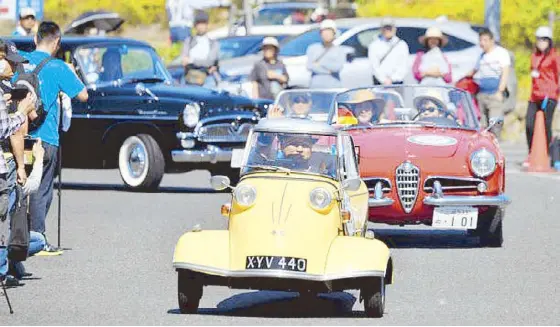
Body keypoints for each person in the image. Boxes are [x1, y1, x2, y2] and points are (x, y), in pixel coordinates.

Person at [19, 21, 88, 253]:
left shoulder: (20, 59)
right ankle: (37, 239)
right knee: (41, 190)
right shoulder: (58, 67)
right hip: (45, 137)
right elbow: (83, 95)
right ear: (57, 42)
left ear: (34, 39)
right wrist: (71, 73)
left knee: (17, 187)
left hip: (18, 135)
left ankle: (17, 237)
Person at [2, 140, 46, 286]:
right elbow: (32, 185)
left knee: (36, 239)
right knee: (38, 240)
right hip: (5, 237)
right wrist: (38, 159)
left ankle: (10, 262)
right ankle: (9, 264)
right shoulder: (13, 184)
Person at [525, 26, 559, 167]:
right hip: (535, 96)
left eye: (544, 39)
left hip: (549, 95)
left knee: (546, 125)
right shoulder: (534, 56)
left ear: (549, 41)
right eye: (539, 39)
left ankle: (549, 153)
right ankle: (532, 152)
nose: (541, 42)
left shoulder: (554, 57)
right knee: (529, 124)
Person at [467, 28, 511, 138]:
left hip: (495, 93)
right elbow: (474, 71)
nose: (482, 43)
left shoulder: (501, 53)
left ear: (492, 40)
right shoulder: (482, 56)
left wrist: (500, 91)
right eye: (481, 40)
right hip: (482, 94)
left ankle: (495, 148)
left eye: (485, 40)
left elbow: (505, 72)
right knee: (483, 126)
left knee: (495, 123)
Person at [180, 11, 219, 86]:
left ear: (207, 25)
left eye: (203, 23)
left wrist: (191, 60)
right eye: (199, 23)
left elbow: (209, 62)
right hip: (190, 78)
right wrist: (201, 63)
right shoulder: (189, 41)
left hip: (207, 78)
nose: (201, 26)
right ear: (195, 25)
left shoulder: (213, 43)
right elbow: (184, 60)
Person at [368, 17, 410, 85]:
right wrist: (384, 80)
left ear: (394, 29)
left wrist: (392, 79)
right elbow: (374, 66)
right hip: (380, 84)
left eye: (390, 28)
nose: (387, 30)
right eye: (385, 28)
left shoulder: (402, 45)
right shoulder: (374, 45)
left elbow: (404, 66)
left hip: (397, 83)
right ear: (381, 29)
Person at [306, 19, 347, 89]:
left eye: (329, 32)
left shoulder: (340, 50)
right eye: (324, 32)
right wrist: (329, 70)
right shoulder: (312, 48)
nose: (326, 35)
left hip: (334, 87)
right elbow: (310, 66)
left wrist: (320, 64)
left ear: (334, 34)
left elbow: (337, 67)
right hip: (315, 88)